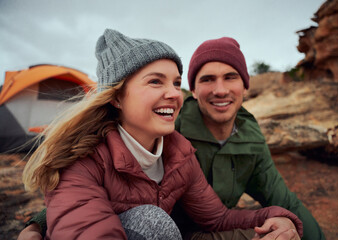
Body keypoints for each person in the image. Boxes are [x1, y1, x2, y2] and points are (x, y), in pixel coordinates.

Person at [19, 29, 303, 240]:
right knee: (151, 221)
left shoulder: (178, 152)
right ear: (116, 98)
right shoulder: (83, 158)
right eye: (155, 81)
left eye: (176, 82)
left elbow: (217, 218)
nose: (174, 93)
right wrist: (37, 224)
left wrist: (274, 216)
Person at [172, 37, 326, 240]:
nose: (220, 90)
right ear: (193, 89)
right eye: (207, 79)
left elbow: (284, 201)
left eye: (230, 77)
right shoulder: (171, 131)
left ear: (245, 86)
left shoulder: (251, 140)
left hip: (220, 226)